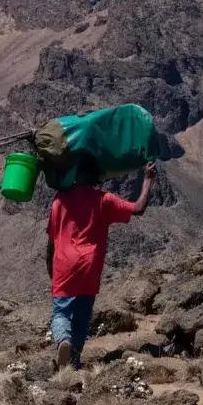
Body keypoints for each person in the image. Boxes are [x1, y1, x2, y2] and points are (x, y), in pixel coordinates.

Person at [46, 158, 156, 370]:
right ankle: (74, 363)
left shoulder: (60, 200)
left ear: (75, 176)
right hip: (90, 266)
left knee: (61, 313)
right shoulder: (103, 200)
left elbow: (51, 241)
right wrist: (147, 180)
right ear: (97, 178)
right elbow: (138, 208)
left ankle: (63, 341)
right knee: (81, 317)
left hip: (64, 266)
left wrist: (50, 267)